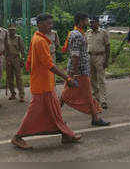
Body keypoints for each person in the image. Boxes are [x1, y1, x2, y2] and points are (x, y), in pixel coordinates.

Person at [11, 13, 81, 149]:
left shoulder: (38, 38)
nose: (51, 26)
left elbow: (31, 60)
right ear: (39, 24)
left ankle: (66, 134)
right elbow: (49, 64)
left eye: (51, 23)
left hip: (45, 83)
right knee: (34, 113)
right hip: (41, 85)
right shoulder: (40, 41)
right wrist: (67, 77)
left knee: (55, 110)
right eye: (48, 24)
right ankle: (18, 137)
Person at [60, 13, 110, 126]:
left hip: (80, 70)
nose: (89, 22)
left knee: (86, 95)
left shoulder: (78, 33)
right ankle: (55, 116)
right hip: (79, 71)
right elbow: (75, 55)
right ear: (81, 21)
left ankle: (95, 118)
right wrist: (73, 73)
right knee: (66, 95)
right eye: (87, 20)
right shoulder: (77, 35)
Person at [86, 17, 110, 109]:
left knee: (101, 79)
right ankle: (96, 99)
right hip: (90, 57)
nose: (91, 24)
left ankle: (103, 100)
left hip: (100, 57)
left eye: (93, 22)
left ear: (98, 23)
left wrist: (106, 60)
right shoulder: (88, 33)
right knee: (92, 79)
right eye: (90, 23)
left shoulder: (103, 32)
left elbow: (108, 46)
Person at [6, 22, 26, 102]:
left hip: (16, 58)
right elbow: (4, 49)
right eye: (10, 30)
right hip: (8, 59)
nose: (11, 31)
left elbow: (22, 50)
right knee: (9, 77)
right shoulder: (6, 38)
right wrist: (6, 59)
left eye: (13, 30)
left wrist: (23, 59)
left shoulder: (18, 38)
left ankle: (21, 95)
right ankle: (13, 93)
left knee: (19, 78)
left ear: (15, 30)